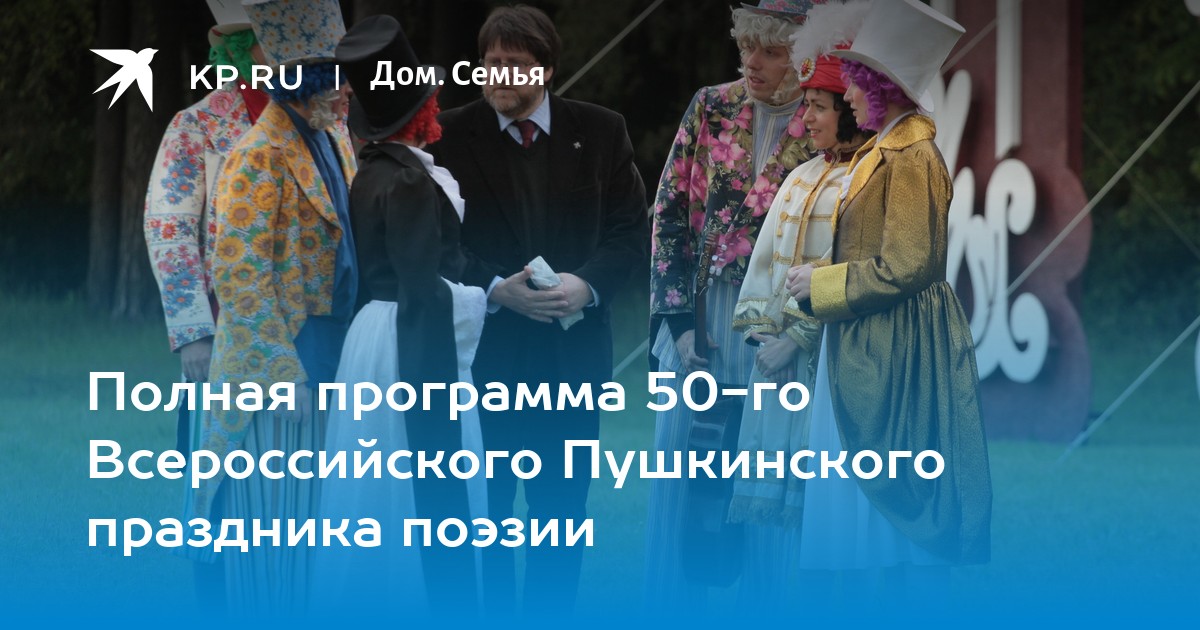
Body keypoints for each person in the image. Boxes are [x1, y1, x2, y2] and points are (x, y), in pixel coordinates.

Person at [430, 5, 648, 616]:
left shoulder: (601, 130)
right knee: (488, 514)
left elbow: (631, 232)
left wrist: (587, 285)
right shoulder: (448, 135)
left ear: (546, 70)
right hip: (484, 362)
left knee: (562, 514)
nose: (497, 75)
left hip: (572, 360)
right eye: (489, 63)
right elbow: (437, 241)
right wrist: (494, 288)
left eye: (514, 64)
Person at [783, 0, 992, 611]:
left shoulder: (911, 155)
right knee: (861, 512)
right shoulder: (888, 149)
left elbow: (908, 263)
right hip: (870, 336)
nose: (847, 93)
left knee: (902, 511)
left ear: (880, 87)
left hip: (899, 346)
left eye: (854, 80)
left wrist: (821, 285)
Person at [315, 14, 494, 617]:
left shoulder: (372, 169)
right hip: (410, 340)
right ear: (421, 108)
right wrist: (483, 300)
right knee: (418, 480)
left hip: (373, 336)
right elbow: (423, 288)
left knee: (374, 488)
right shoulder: (411, 180)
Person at [186, 0, 356, 613]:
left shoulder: (332, 140)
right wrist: (280, 373)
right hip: (278, 375)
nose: (348, 91)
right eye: (337, 78)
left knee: (318, 544)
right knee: (272, 549)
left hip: (331, 358)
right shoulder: (256, 154)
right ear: (307, 80)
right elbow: (239, 273)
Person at [645, 0, 815, 611]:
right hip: (701, 322)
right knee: (681, 484)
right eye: (746, 46)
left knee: (771, 489)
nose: (753, 62)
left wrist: (801, 331)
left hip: (781, 328)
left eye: (772, 51)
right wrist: (677, 324)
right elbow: (668, 213)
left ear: (805, 55)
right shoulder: (710, 106)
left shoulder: (827, 119)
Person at [727, 0, 873, 612]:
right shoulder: (804, 174)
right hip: (777, 370)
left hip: (829, 366)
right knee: (771, 523)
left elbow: (856, 272)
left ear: (849, 111)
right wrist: (766, 338)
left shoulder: (866, 179)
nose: (805, 117)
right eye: (806, 103)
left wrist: (798, 339)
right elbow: (766, 266)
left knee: (825, 509)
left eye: (818, 106)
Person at [143, 0, 269, 607]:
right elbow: (169, 225)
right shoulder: (196, 126)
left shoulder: (327, 120)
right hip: (223, 332)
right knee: (216, 488)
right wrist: (193, 329)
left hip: (309, 335)